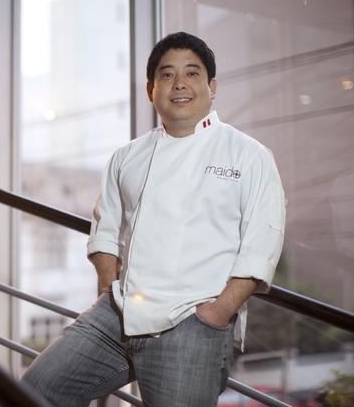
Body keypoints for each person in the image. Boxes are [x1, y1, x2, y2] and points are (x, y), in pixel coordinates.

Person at [21, 32, 286, 407]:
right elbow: (105, 230)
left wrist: (217, 313)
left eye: (192, 74)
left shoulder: (249, 155)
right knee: (32, 392)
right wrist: (108, 290)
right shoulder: (126, 156)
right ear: (151, 89)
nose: (179, 83)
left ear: (212, 86)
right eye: (167, 75)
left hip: (190, 322)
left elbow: (262, 243)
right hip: (117, 313)